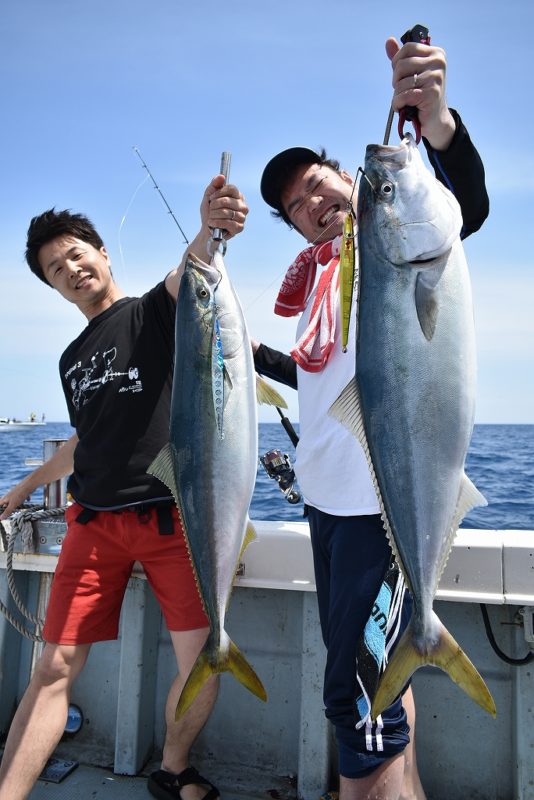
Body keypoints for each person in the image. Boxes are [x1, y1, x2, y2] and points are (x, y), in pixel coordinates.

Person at [253, 36, 489, 800]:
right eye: (296, 206)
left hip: (371, 509)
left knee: (358, 718)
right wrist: (253, 357)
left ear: (349, 181)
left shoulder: (392, 244)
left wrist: (434, 118)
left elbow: (466, 203)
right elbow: (329, 380)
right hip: (329, 503)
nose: (313, 203)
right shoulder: (323, 288)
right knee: (385, 701)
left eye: (319, 184)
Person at [0, 174, 248, 800]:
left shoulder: (151, 312)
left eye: (77, 253)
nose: (71, 268)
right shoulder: (69, 359)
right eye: (55, 268)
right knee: (52, 667)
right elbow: (87, 440)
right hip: (92, 522)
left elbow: (192, 270)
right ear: (52, 286)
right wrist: (24, 485)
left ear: (102, 253)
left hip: (173, 517)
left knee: (202, 655)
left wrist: (210, 224)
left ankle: (173, 766)